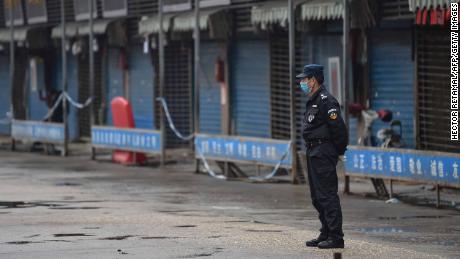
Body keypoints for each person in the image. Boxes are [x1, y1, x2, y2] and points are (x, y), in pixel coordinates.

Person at [296, 64, 348, 249]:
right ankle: (325, 232)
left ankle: (336, 237)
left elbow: (339, 129)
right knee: (316, 196)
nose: (302, 82)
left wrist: (339, 152)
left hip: (324, 151)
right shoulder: (314, 100)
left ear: (314, 80)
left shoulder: (327, 101)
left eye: (304, 79)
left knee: (327, 195)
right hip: (313, 151)